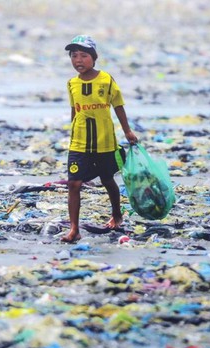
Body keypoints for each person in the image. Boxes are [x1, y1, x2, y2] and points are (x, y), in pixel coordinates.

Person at [61, 35, 138, 243]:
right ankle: (74, 229)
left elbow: (118, 105)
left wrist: (128, 131)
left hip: (105, 142)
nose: (78, 60)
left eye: (83, 55)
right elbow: (73, 110)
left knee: (107, 179)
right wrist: (71, 133)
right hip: (79, 143)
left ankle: (117, 214)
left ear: (94, 58)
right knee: (74, 184)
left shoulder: (106, 79)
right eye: (74, 56)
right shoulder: (71, 84)